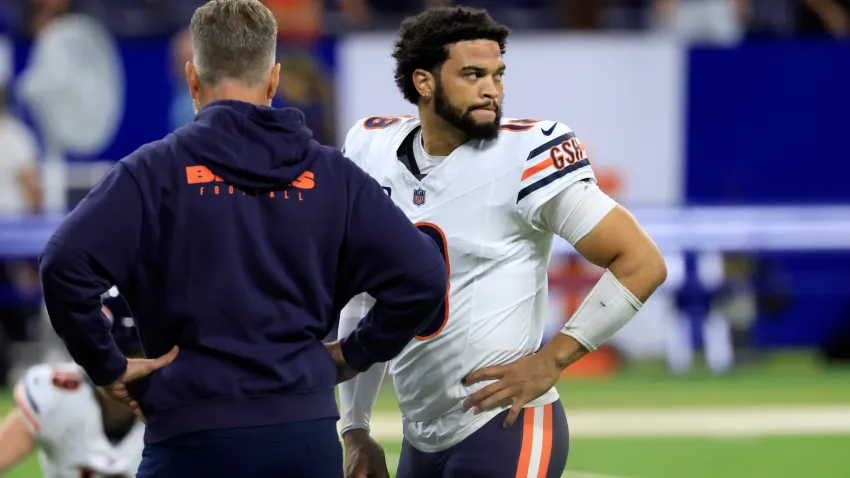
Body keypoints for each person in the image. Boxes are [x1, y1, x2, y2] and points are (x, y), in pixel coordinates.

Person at [37, 1, 448, 477]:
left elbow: (63, 263)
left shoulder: (151, 173)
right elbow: (423, 276)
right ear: (274, 80)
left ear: (192, 80)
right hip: (304, 435)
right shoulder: (334, 174)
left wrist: (106, 365)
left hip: (191, 435)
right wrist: (353, 353)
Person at [338, 6, 668, 478]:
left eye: (497, 74)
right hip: (421, 434)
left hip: (506, 423)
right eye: (472, 74)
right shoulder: (372, 151)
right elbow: (364, 299)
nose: (491, 88)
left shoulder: (525, 153)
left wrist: (552, 360)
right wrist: (355, 428)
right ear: (424, 83)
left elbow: (641, 261)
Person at [0, 289, 146, 477]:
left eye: (135, 353)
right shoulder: (55, 395)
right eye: (109, 351)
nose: (122, 365)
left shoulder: (178, 408)